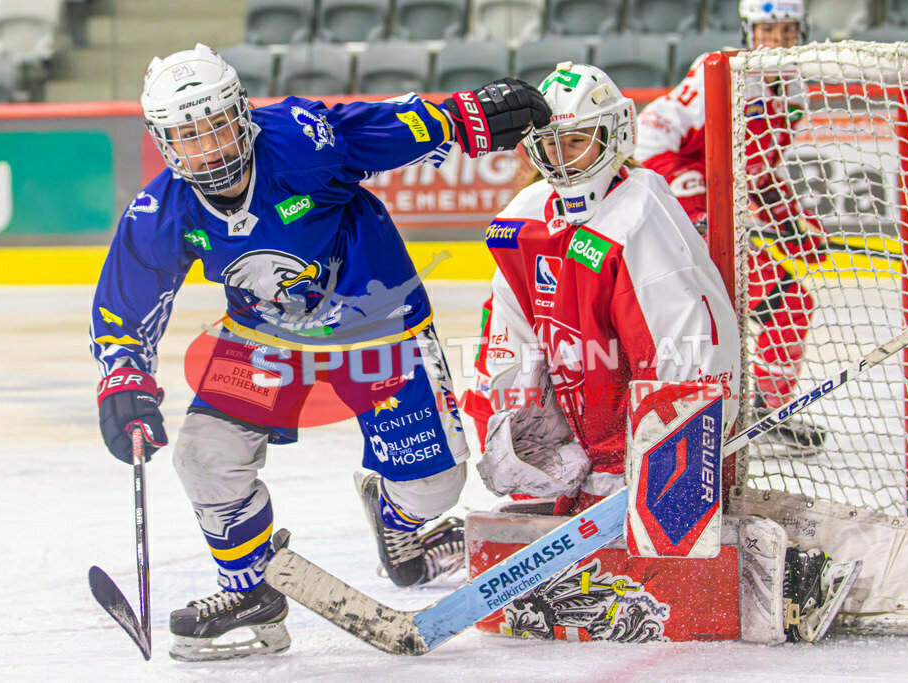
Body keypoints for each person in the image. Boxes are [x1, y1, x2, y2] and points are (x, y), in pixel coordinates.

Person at [90, 43, 549, 661]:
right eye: (188, 136)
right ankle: (250, 588)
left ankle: (398, 520)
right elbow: (127, 302)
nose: (210, 148)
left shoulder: (301, 142)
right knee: (203, 457)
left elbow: (381, 129)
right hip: (264, 335)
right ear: (165, 143)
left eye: (218, 126)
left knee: (434, 488)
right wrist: (123, 378)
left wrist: (463, 116)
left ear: (242, 114)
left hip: (376, 322)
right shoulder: (159, 211)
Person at [464, 61, 741, 517]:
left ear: (615, 134)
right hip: (581, 445)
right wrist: (511, 412)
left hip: (634, 454)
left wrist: (678, 460)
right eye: (548, 146)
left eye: (574, 141)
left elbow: (682, 345)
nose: (562, 160)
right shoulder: (525, 214)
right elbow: (505, 334)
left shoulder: (640, 208)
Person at [636, 0, 829, 453]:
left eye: (786, 30)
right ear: (748, 31)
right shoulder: (721, 70)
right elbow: (652, 134)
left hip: (711, 213)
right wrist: (695, 204)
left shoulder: (795, 90)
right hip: (675, 213)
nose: (778, 40)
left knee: (783, 302)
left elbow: (756, 169)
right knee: (784, 303)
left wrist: (790, 222)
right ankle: (752, 408)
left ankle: (758, 405)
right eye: (768, 30)